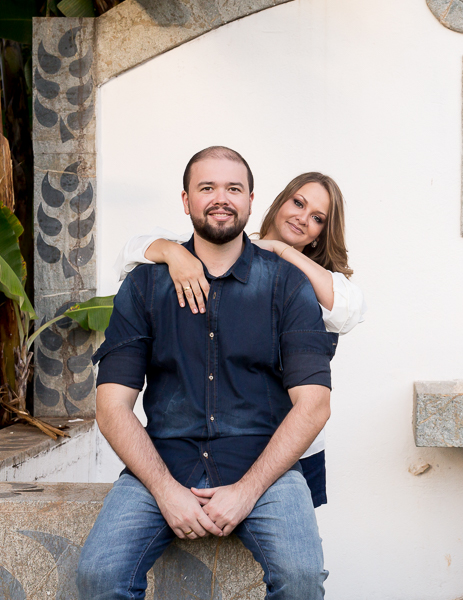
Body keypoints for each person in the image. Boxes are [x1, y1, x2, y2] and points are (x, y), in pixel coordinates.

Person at [77, 146, 336, 599]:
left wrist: (247, 490)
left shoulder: (289, 284)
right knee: (100, 576)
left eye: (233, 188)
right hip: (164, 461)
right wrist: (164, 489)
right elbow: (111, 405)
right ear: (186, 201)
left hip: (263, 466)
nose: (222, 198)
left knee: (301, 578)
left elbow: (314, 404)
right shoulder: (144, 285)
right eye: (207, 188)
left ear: (252, 200)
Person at [113, 172, 366, 508]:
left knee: (288, 548)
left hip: (294, 444)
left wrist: (279, 251)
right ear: (279, 201)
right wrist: (173, 254)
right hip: (227, 444)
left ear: (322, 233)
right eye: (298, 203)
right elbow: (130, 255)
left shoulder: (319, 281)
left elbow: (348, 310)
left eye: (317, 218)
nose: (303, 218)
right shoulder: (224, 248)